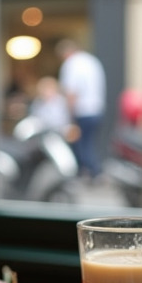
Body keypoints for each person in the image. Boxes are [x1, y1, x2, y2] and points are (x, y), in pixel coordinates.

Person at [56, 38, 107, 180]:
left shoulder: (72, 64)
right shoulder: (92, 61)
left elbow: (72, 93)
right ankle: (92, 174)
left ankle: (93, 173)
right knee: (89, 143)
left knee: (82, 145)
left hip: (82, 112)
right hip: (96, 110)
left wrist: (70, 117)